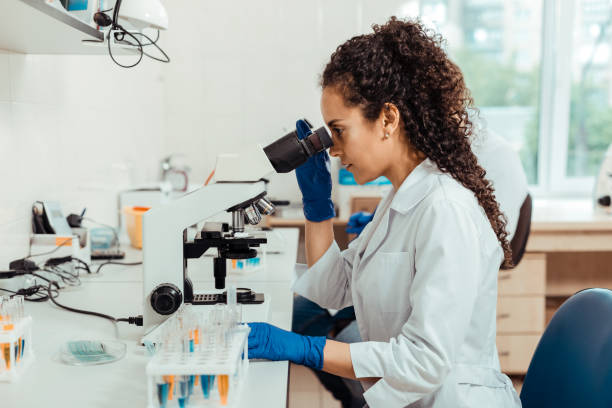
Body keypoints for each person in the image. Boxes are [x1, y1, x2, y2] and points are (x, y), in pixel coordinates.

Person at [248, 17, 522, 407]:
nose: (333, 150)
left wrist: (305, 348)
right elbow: (332, 289)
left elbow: (424, 362)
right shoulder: (401, 196)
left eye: (339, 131)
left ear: (388, 119)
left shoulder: (445, 209)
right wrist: (317, 209)